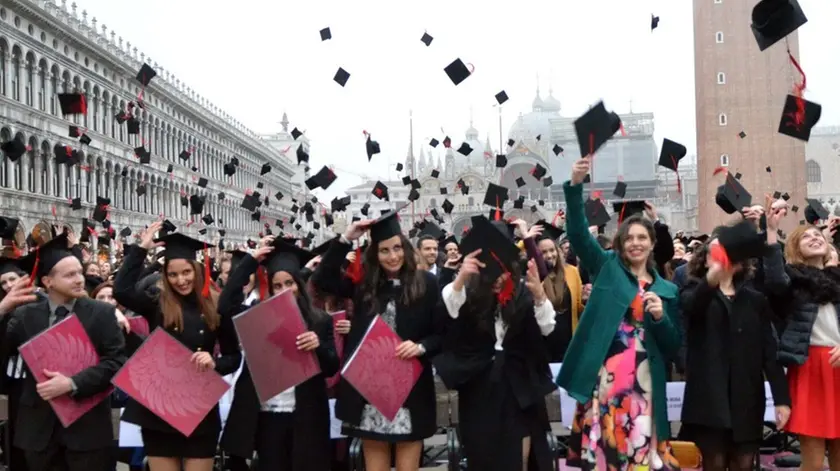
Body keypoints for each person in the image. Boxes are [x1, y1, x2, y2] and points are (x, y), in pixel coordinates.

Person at [558, 156, 682, 470]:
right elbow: (577, 235)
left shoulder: (668, 291)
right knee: (609, 457)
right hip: (608, 381)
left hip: (646, 386)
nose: (635, 243)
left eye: (642, 238)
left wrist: (660, 317)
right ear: (620, 243)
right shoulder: (607, 268)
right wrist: (575, 186)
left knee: (640, 458)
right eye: (629, 238)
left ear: (653, 244)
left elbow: (674, 347)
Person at [311, 209, 445, 471]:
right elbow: (323, 278)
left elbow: (442, 333)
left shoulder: (427, 284)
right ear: (375, 254)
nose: (393, 256)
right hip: (369, 390)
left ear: (405, 248)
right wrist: (346, 238)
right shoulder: (364, 285)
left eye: (397, 248)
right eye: (384, 250)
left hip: (410, 390)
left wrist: (421, 347)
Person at [113, 222, 241, 471]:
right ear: (165, 276)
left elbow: (234, 357)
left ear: (197, 269)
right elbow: (122, 290)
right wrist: (141, 249)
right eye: (173, 274)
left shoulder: (217, 305)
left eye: (186, 272)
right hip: (159, 406)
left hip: (199, 405)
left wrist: (215, 363)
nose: (181, 280)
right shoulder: (156, 302)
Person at [436, 216, 558, 471]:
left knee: (519, 457)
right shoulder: (467, 292)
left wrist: (539, 295)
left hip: (518, 388)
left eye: (503, 269)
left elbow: (547, 327)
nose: (498, 278)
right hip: (480, 387)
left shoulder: (523, 290)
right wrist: (460, 278)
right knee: (483, 457)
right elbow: (448, 309)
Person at [0, 232, 127, 471]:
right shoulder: (24, 315)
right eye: (70, 275)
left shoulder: (101, 313)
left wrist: (72, 383)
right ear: (47, 281)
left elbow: (116, 363)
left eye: (80, 272)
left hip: (86, 429)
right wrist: (2, 309)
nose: (79, 279)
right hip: (38, 431)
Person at [220, 237, 339, 470]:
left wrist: (318, 346)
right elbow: (225, 305)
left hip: (306, 415)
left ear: (299, 284)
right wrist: (250, 261)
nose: (284, 290)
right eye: (278, 285)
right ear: (270, 287)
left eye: (290, 283)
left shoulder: (318, 320)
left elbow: (332, 366)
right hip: (268, 415)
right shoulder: (258, 315)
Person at [680, 226, 790, 471]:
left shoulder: (754, 299)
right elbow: (693, 307)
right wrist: (713, 277)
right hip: (709, 398)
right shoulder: (692, 290)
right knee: (714, 463)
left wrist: (782, 400)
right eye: (714, 252)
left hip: (747, 398)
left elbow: (769, 353)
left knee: (744, 463)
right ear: (705, 258)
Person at [762, 207, 840, 471]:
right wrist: (771, 232)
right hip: (809, 367)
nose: (815, 238)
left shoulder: (837, 280)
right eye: (807, 237)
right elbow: (773, 279)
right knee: (814, 462)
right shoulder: (792, 283)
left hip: (838, 364)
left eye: (818, 235)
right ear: (796, 249)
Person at [0, 257, 30, 471]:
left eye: (12, 279)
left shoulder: (39, 303)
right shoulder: (2, 310)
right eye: (3, 283)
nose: (9, 285)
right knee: (14, 439)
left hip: (36, 382)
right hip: (11, 385)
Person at [535, 233, 584, 362]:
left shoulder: (572, 272)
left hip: (568, 343)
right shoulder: (535, 277)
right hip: (543, 346)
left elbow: (579, 307)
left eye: (552, 250)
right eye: (543, 252)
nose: (550, 255)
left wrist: (586, 299)